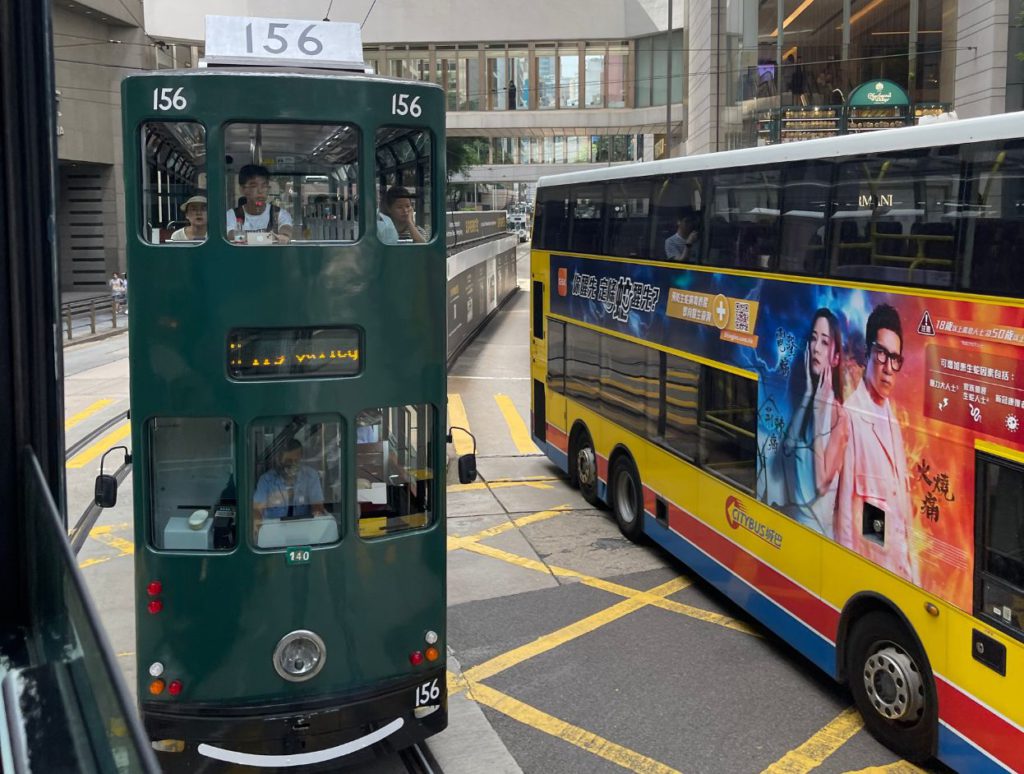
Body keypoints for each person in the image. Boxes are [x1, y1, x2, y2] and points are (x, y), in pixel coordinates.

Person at [835, 303, 915, 580]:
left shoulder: (895, 423)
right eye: (882, 354)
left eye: (896, 358)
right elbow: (845, 515)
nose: (889, 368)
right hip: (869, 573)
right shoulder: (851, 418)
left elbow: (905, 523)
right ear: (868, 353)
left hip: (901, 576)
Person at [782, 309, 849, 537]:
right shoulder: (811, 401)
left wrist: (820, 414)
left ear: (836, 357)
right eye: (812, 338)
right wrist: (808, 394)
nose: (815, 348)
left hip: (817, 535)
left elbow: (821, 485)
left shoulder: (840, 417)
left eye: (824, 341)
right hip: (794, 526)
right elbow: (787, 447)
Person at [253, 439, 327, 522]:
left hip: (304, 529)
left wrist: (317, 514)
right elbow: (256, 509)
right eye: (288, 461)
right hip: (274, 531)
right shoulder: (266, 480)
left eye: (296, 461)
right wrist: (256, 521)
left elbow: (317, 506)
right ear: (279, 459)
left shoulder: (311, 476)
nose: (292, 464)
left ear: (301, 458)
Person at [226, 164, 293, 244]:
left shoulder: (278, 213)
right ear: (242, 189)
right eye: (254, 186)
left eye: (264, 186)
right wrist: (269, 237)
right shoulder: (232, 215)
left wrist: (284, 235)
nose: (260, 191)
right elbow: (230, 234)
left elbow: (286, 228)